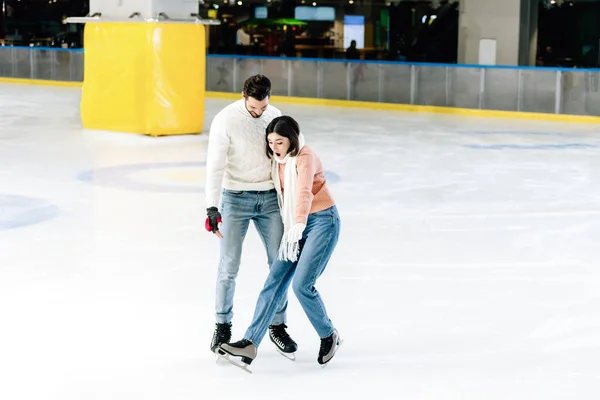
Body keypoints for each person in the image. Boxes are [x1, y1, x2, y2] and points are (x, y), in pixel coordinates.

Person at [217, 115, 342, 370]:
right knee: (273, 282)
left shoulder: (305, 157)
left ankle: (329, 334)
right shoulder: (279, 162)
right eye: (271, 141)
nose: (274, 147)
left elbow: (304, 191)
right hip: (295, 226)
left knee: (301, 285)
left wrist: (297, 225)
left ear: (292, 140)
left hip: (321, 221)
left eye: (279, 142)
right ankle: (251, 342)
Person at [205, 75, 298, 357]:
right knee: (229, 265)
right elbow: (215, 165)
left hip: (270, 198)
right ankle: (222, 324)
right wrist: (212, 206)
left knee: (279, 264)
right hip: (236, 198)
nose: (259, 113)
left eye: (263, 107)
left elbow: (288, 154)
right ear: (244, 95)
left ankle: (277, 326)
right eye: (254, 108)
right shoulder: (226, 120)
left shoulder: (274, 114)